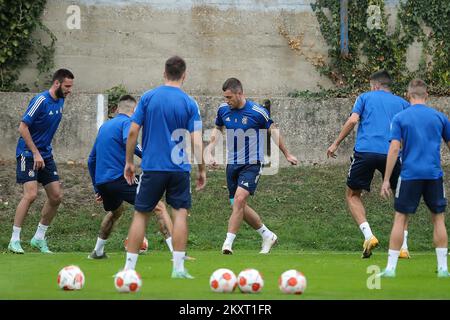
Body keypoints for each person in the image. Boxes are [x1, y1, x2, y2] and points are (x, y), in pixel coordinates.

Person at [123, 56, 206, 279]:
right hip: (179, 169)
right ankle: (178, 268)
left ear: (164, 73)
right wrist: (202, 169)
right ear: (184, 75)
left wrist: (129, 162)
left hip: (153, 167)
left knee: (141, 215)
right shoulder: (190, 103)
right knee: (179, 215)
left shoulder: (148, 98)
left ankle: (129, 270)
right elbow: (197, 141)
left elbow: (132, 132)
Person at [207, 77, 298, 255]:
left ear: (240, 94)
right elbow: (218, 129)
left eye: (229, 97)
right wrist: (210, 149)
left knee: (240, 200)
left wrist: (287, 154)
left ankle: (227, 243)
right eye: (225, 98)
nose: (227, 101)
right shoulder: (223, 109)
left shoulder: (258, 112)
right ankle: (267, 235)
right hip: (232, 164)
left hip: (252, 163)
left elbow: (274, 131)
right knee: (236, 204)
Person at [327, 70, 410, 259]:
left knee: (352, 194)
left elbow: (353, 120)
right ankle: (403, 247)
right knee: (403, 198)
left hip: (365, 151)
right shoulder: (403, 104)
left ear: (375, 85)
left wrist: (335, 143)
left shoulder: (364, 97)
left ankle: (369, 236)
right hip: (393, 153)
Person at [87, 95, 183, 259]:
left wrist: (97, 187)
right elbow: (128, 139)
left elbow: (91, 159)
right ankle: (177, 253)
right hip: (120, 178)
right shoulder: (127, 123)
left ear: (117, 109)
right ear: (134, 111)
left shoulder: (104, 127)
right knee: (158, 206)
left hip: (103, 182)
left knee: (116, 211)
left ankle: (98, 251)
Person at [378, 79, 450, 278]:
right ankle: (443, 269)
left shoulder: (400, 118)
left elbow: (394, 148)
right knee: (438, 218)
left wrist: (386, 179)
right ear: (427, 95)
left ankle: (391, 269)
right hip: (434, 175)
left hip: (409, 175)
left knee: (400, 219)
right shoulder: (440, 118)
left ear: (408, 95)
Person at [9, 69, 74, 254]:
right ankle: (14, 240)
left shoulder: (61, 100)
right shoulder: (41, 101)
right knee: (30, 195)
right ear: (57, 83)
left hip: (45, 154)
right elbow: (23, 127)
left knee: (56, 196)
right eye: (67, 86)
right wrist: (35, 153)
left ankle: (38, 238)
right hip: (28, 154)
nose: (70, 90)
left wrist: (42, 153)